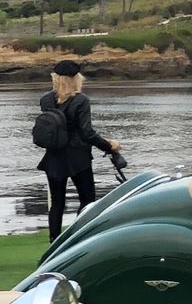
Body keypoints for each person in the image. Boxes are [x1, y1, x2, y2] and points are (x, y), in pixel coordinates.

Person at [35, 60, 126, 241]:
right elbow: (87, 133)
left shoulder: (46, 100)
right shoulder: (81, 101)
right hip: (78, 157)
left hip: (54, 155)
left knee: (57, 202)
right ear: (76, 79)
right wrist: (109, 146)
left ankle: (54, 240)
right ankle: (77, 236)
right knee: (87, 200)